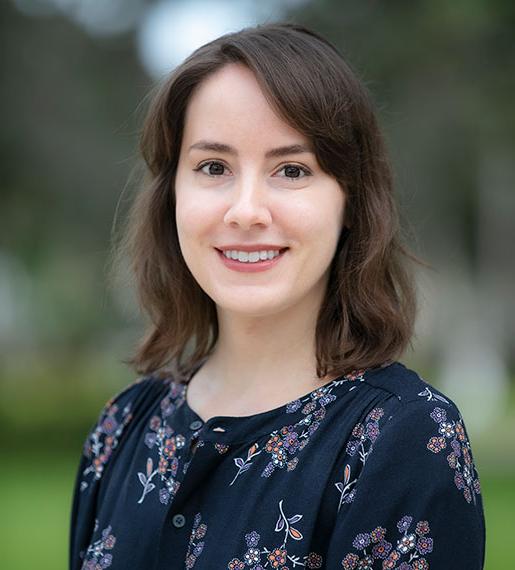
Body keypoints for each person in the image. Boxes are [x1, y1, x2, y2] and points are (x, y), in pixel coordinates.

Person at [69, 22, 486, 569]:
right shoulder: (121, 429)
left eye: (291, 170)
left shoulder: (403, 442)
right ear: (172, 195)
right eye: (213, 167)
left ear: (351, 203)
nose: (246, 210)